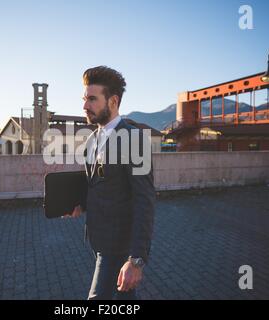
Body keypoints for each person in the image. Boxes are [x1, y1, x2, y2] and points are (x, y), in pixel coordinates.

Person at [64, 66, 155, 300]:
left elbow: (145, 201)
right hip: (97, 239)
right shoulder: (92, 139)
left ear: (113, 101)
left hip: (118, 246)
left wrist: (136, 260)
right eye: (84, 99)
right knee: (124, 297)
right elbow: (100, 184)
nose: (85, 106)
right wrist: (81, 204)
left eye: (92, 99)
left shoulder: (134, 140)